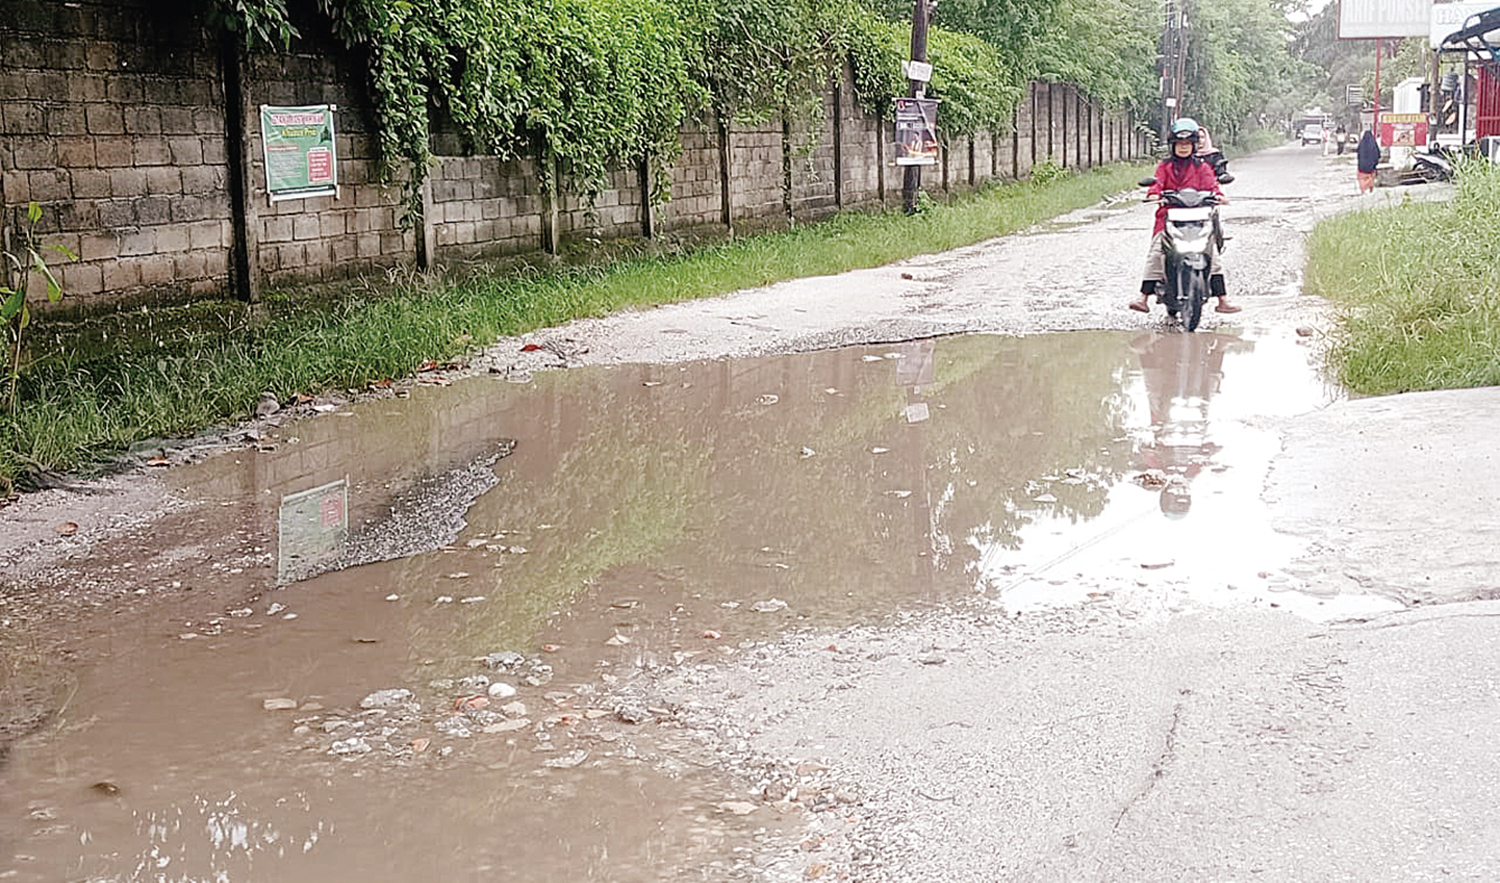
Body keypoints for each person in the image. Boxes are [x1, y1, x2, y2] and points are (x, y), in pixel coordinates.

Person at [1128, 117, 1241, 314]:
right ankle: (1143, 297)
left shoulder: (1202, 167)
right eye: (1179, 144)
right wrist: (1154, 193)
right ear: (1172, 146)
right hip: (1169, 219)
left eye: (1187, 144)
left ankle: (1223, 299)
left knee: (1212, 252)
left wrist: (1219, 196)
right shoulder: (1165, 166)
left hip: (1198, 219)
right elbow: (1157, 183)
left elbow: (1212, 185)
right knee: (1157, 251)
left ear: (1194, 146)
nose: (1183, 148)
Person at [1356, 127, 1380, 194]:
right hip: (1371, 167)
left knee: (1362, 178)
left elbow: (1358, 154)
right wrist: (1375, 163)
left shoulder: (1362, 145)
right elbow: (1377, 154)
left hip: (1362, 167)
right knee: (1371, 177)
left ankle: (1363, 190)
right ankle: (1370, 189)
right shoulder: (1373, 145)